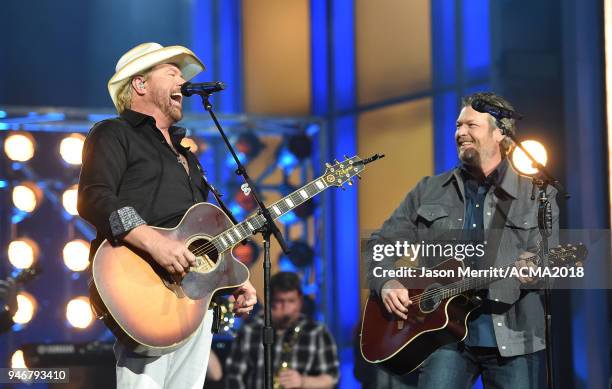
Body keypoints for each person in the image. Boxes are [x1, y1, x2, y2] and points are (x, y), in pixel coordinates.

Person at [77, 42, 257, 389]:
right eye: (171, 73)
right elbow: (93, 197)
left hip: (193, 301)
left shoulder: (186, 154)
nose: (181, 82)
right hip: (141, 288)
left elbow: (199, 230)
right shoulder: (113, 133)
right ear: (140, 85)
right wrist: (154, 243)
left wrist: (232, 275)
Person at [364, 92, 558, 389]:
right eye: (458, 126)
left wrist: (535, 268)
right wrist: (387, 281)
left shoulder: (536, 193)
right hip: (443, 338)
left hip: (514, 338)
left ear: (500, 134)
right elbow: (381, 243)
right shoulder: (429, 190)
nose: (460, 133)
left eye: (471, 126)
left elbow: (549, 260)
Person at [225, 272, 339, 389]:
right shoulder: (250, 330)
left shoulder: (316, 332)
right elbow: (234, 378)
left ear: (300, 301)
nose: (286, 309)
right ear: (270, 301)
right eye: (279, 301)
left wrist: (302, 381)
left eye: (291, 301)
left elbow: (332, 378)